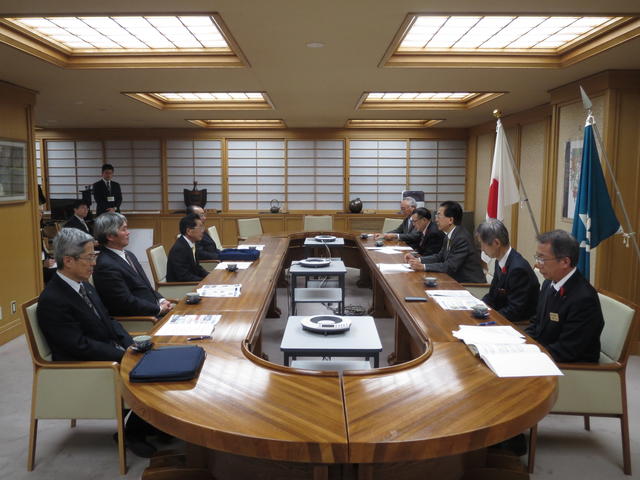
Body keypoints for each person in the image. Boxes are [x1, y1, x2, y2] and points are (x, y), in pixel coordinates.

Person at [36, 228, 158, 457]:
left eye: (95, 256)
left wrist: (130, 343)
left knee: (155, 359)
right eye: (89, 257)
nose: (94, 263)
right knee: (149, 373)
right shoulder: (53, 299)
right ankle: (132, 433)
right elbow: (78, 345)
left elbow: (109, 319)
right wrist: (123, 355)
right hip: (80, 366)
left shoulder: (83, 284)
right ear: (68, 261)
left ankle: (152, 422)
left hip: (105, 349)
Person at [525, 230, 604, 363]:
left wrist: (528, 356)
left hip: (571, 370)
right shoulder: (548, 284)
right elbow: (536, 324)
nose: (538, 264)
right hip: (545, 355)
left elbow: (566, 350)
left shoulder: (584, 299)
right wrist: (521, 343)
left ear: (565, 262)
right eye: (537, 258)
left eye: (542, 259)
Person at [93, 212, 174, 318]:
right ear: (110, 236)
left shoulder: (129, 254)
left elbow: (145, 286)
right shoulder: (106, 266)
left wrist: (161, 300)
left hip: (153, 310)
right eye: (124, 229)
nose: (128, 233)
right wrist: (158, 309)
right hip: (143, 319)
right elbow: (125, 302)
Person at [475, 219, 539, 323]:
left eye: (483, 244)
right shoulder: (499, 260)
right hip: (501, 317)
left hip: (518, 325)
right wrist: (478, 306)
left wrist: (487, 316)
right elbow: (492, 296)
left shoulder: (518, 269)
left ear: (496, 243)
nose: (482, 249)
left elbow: (514, 311)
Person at [406, 201, 485, 283]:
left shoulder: (462, 238)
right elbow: (440, 256)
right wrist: (418, 260)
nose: (436, 220)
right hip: (454, 280)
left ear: (450, 220)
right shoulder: (451, 234)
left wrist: (423, 266)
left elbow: (450, 266)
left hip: (470, 285)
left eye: (439, 216)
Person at [166, 214, 209, 282]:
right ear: (189, 231)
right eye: (200, 228)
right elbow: (184, 276)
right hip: (180, 287)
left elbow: (197, 267)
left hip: (191, 283)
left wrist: (210, 276)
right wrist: (205, 281)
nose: (202, 231)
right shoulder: (179, 249)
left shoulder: (191, 243)